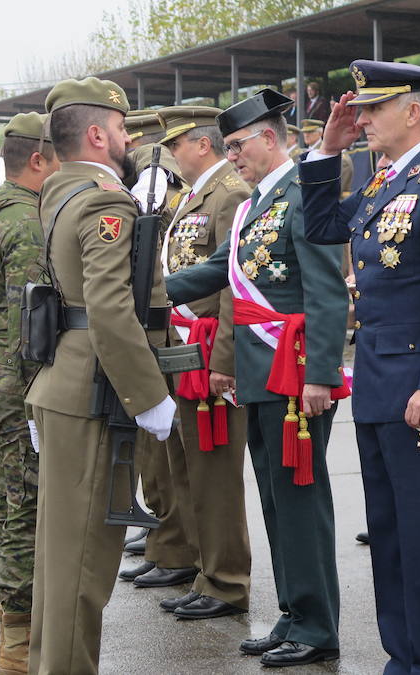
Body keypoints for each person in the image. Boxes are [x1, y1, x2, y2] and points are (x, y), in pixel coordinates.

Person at [300, 59, 420, 675]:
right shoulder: (387, 180)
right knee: (390, 535)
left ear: (412, 110)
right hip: (381, 384)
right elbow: (324, 223)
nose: (363, 118)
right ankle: (402, 658)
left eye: (374, 109)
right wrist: (329, 150)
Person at [166, 89, 349, 668]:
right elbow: (215, 269)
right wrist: (140, 294)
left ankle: (318, 625)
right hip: (260, 373)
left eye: (238, 145)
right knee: (274, 499)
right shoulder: (254, 206)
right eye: (227, 147)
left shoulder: (303, 196)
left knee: (301, 500)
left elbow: (326, 291)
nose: (232, 155)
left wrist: (321, 374)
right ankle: (293, 613)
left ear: (270, 138)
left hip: (294, 374)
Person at [26, 77, 176, 674]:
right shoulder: (104, 202)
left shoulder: (58, 194)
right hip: (95, 391)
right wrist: (150, 395)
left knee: (60, 556)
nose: (126, 139)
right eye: (119, 129)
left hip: (64, 382)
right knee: (85, 564)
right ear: (96, 133)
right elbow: (111, 308)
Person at [138, 105, 252, 619]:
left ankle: (226, 579)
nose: (170, 154)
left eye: (176, 144)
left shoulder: (228, 193)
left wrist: (224, 358)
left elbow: (233, 282)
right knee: (186, 466)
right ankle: (203, 569)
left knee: (214, 472)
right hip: (183, 345)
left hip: (209, 349)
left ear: (201, 144)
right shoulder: (193, 197)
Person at [0, 113, 60, 673]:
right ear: (38, 160)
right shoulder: (26, 220)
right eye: (57, 159)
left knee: (10, 507)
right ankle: (18, 642)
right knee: (22, 511)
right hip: (18, 381)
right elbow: (35, 322)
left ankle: (13, 622)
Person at [120, 110, 192, 565]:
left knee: (165, 448)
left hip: (167, 325)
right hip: (150, 319)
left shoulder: (155, 178)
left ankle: (171, 538)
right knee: (152, 449)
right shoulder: (145, 179)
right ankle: (160, 529)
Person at [301, 118, 354, 195]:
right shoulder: (305, 153)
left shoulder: (334, 154)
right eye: (304, 132)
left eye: (310, 132)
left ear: (320, 133)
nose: (306, 135)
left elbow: (338, 188)